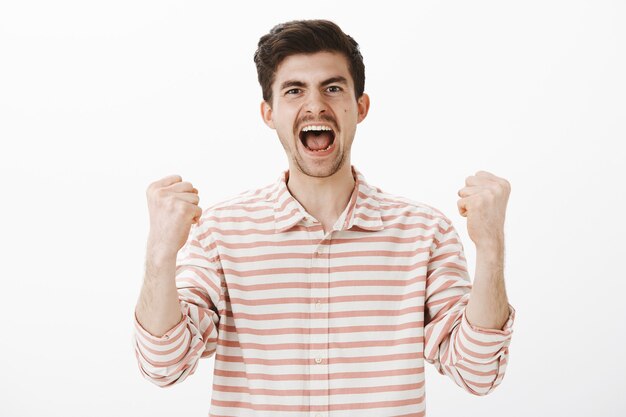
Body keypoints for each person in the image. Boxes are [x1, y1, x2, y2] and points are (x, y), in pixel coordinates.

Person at [133, 19, 515, 417]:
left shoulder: (425, 233)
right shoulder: (220, 233)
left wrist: (491, 248)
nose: (315, 105)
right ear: (269, 113)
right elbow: (164, 365)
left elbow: (478, 372)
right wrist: (160, 255)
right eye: (294, 90)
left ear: (360, 107)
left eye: (332, 88)